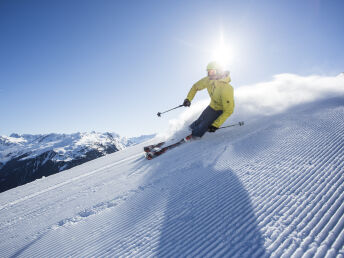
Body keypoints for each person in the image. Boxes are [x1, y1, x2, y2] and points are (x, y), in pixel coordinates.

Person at [183, 61, 235, 138]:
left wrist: (215, 125)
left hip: (220, 109)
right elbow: (195, 87)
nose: (209, 74)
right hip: (212, 106)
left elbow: (229, 110)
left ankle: (194, 137)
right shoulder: (208, 80)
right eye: (208, 72)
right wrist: (188, 99)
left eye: (212, 72)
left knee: (204, 124)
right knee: (200, 120)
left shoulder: (226, 88)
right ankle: (186, 132)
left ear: (218, 71)